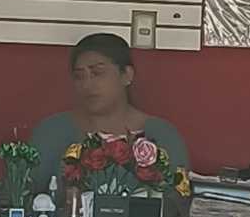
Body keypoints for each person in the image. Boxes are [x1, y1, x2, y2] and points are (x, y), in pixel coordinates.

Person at [27, 31, 192, 201]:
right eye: (79, 76)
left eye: (97, 73)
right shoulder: (51, 132)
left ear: (127, 75)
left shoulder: (163, 136)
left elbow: (178, 204)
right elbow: (23, 198)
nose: (87, 84)